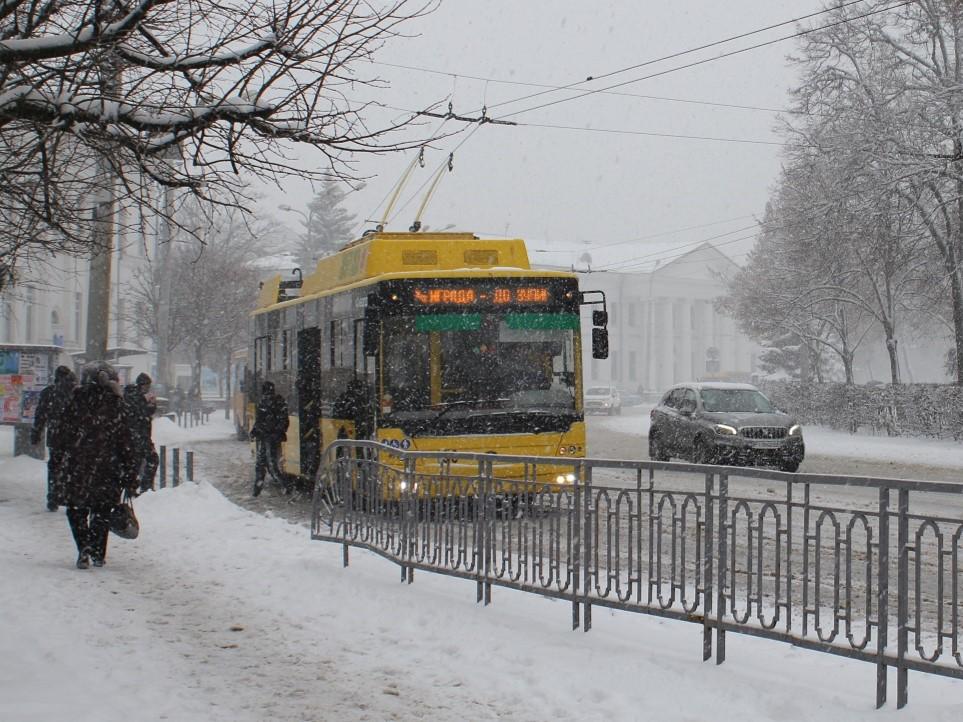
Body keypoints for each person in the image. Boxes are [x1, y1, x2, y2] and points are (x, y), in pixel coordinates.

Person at [60, 362, 138, 569]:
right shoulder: (117, 405)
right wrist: (130, 471)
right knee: (102, 511)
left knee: (76, 509)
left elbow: (62, 434)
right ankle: (97, 552)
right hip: (107, 468)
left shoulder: (76, 402)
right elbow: (126, 442)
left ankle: (83, 546)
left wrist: (65, 458)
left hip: (79, 467)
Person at [30, 365, 77, 511]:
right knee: (71, 466)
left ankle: (53, 496)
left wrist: (36, 432)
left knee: (54, 466)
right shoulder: (75, 392)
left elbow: (40, 414)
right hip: (73, 437)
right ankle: (69, 495)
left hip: (55, 435)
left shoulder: (49, 392)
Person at [250, 380, 289, 497]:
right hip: (267, 438)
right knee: (265, 464)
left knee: (267, 464)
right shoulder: (274, 402)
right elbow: (261, 421)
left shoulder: (271, 403)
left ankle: (284, 486)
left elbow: (261, 421)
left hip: (269, 438)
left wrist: (258, 431)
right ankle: (258, 488)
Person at [124, 372, 159, 493]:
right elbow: (137, 414)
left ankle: (137, 487)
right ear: (142, 385)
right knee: (148, 460)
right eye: (147, 386)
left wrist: (151, 405)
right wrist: (146, 403)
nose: (148, 388)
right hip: (137, 436)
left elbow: (146, 413)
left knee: (138, 463)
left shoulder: (139, 396)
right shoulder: (134, 396)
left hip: (141, 436)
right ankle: (142, 488)